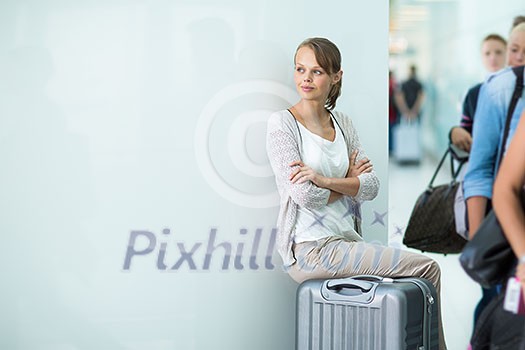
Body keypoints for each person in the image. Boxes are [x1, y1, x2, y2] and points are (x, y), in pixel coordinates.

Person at [266, 37, 447, 350]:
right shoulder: (282, 124)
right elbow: (305, 195)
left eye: (317, 71)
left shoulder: (343, 123)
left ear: (336, 76)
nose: (305, 78)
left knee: (409, 281)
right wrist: (349, 181)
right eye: (300, 69)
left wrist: (324, 179)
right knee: (428, 269)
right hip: (311, 250)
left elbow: (372, 186)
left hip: (345, 242)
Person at [450, 34, 507, 152]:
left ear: (508, 55)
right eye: (487, 53)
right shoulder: (474, 94)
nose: (493, 58)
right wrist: (455, 133)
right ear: (481, 58)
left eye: (498, 52)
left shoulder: (517, 91)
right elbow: (465, 133)